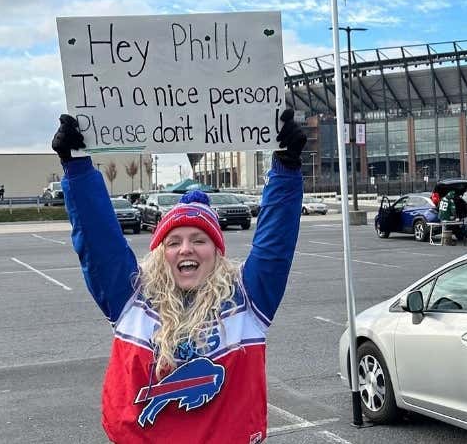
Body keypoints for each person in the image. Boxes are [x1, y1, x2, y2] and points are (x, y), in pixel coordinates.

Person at [51, 109, 306, 444]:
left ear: (216, 252)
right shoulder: (132, 297)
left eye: (199, 240)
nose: (186, 249)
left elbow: (275, 242)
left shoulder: (247, 297)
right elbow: (100, 241)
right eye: (174, 242)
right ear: (161, 254)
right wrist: (77, 167)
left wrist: (286, 170)